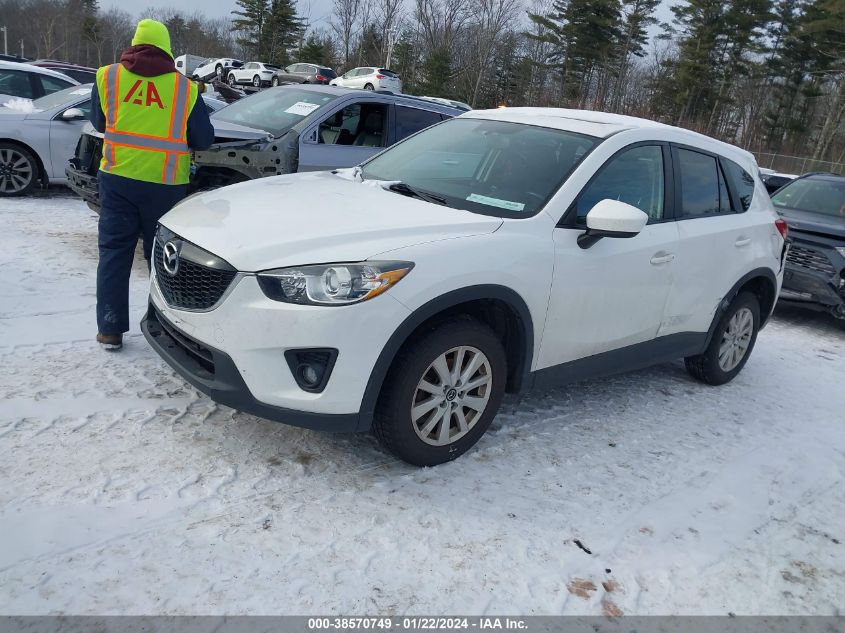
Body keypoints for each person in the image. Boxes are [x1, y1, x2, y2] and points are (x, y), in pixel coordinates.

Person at [90, 19, 215, 351]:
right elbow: (203, 139)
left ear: (133, 44)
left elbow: (99, 122)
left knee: (114, 253)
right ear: (167, 49)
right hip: (165, 185)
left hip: (117, 180)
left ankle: (110, 329)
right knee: (163, 258)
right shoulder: (185, 89)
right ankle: (162, 326)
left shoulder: (108, 76)